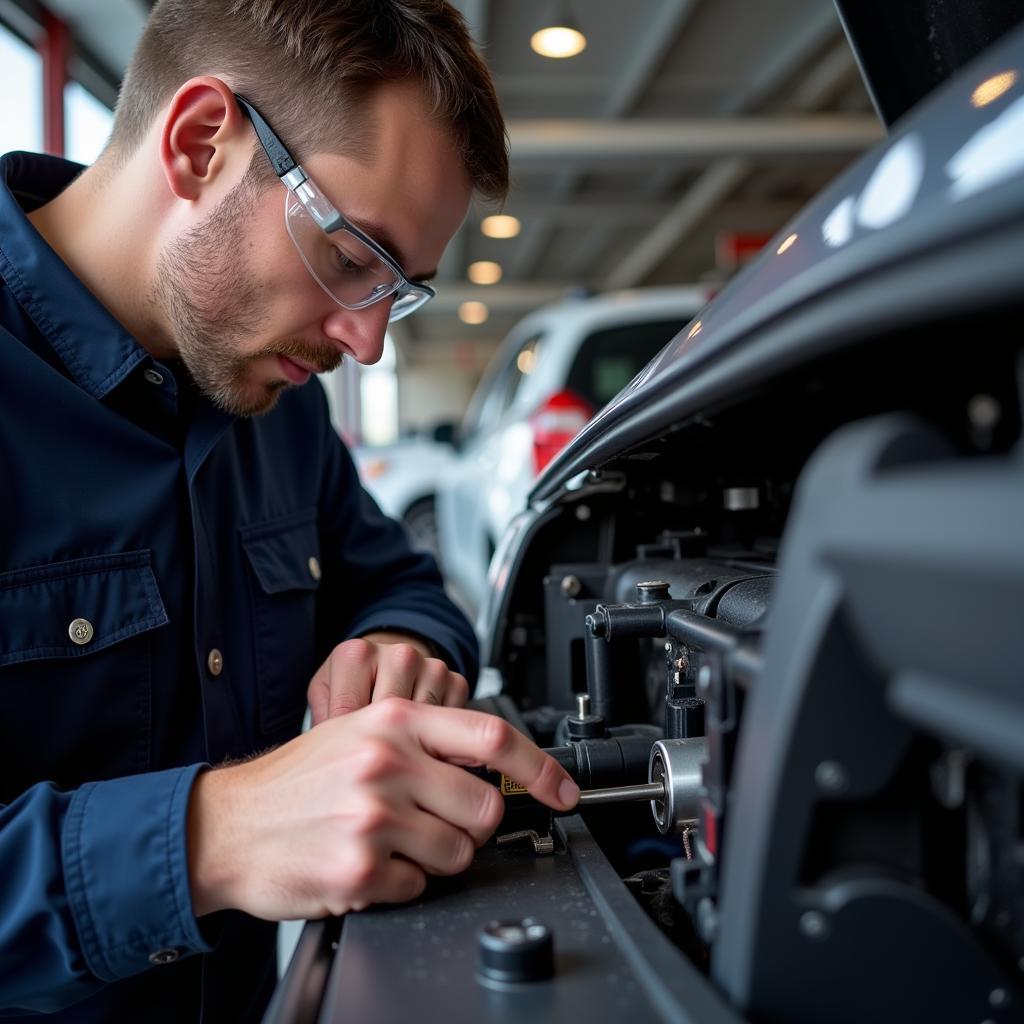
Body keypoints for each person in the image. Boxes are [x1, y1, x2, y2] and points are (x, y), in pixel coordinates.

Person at [0, 1, 580, 1019]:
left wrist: (400, 641)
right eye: (353, 255)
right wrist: (207, 838)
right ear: (198, 144)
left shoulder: (278, 409)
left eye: (399, 291)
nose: (364, 343)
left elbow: (396, 577)